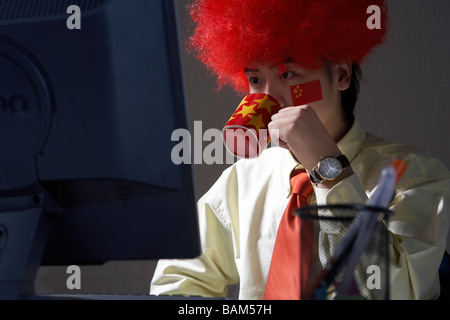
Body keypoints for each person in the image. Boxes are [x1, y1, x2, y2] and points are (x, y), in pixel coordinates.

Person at [150, 0, 450, 299]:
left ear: (341, 75)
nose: (268, 98)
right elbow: (176, 284)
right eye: (255, 79)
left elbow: (397, 291)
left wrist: (329, 168)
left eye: (286, 74)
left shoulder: (412, 174)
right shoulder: (242, 181)